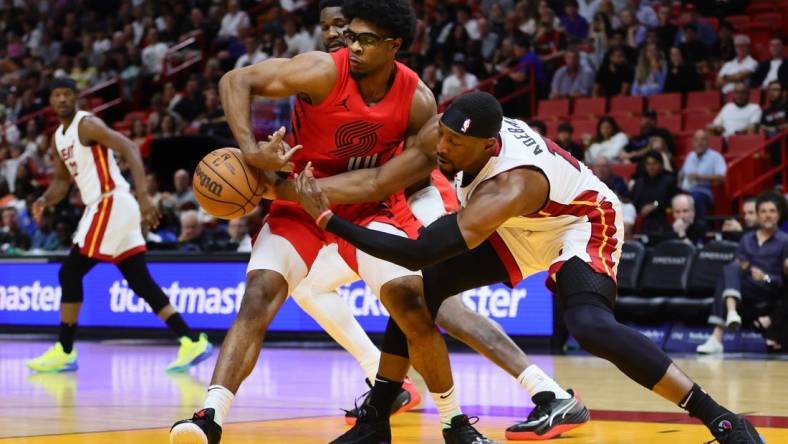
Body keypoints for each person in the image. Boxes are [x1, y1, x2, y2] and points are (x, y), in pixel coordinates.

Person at [171, 2, 577, 443]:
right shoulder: (321, 70)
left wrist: (280, 189)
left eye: (353, 33)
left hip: (403, 195)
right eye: (334, 30)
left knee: (423, 299)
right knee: (279, 289)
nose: (341, 39)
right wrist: (251, 153)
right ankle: (215, 414)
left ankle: (523, 397)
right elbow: (236, 79)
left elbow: (382, 180)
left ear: (391, 44)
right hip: (310, 201)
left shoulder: (417, 101)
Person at [291, 91, 765, 444]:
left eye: (456, 143)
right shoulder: (452, 133)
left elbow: (419, 251)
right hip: (522, 225)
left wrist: (328, 218)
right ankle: (376, 420)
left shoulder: (511, 185)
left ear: (485, 145)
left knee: (589, 324)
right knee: (419, 292)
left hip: (578, 221)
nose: (444, 148)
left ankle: (721, 417)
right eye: (444, 136)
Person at [25, 78, 213, 374]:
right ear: (50, 101)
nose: (62, 99)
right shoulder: (58, 138)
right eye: (56, 95)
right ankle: (191, 340)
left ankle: (64, 349)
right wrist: (44, 200)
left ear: (76, 98)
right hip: (109, 206)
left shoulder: (86, 125)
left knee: (70, 271)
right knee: (139, 280)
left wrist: (144, 196)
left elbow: (129, 147)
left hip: (110, 201)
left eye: (67, 94)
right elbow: (61, 182)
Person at [698, 192, 788, 355]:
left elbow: (784, 279)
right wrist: (745, 268)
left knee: (728, 275)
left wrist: (765, 277)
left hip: (769, 288)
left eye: (772, 211)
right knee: (729, 269)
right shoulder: (747, 238)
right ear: (758, 215)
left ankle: (717, 336)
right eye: (763, 211)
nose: (767, 215)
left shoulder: (785, 240)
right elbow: (739, 263)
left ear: (779, 214)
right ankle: (730, 314)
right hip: (746, 285)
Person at [678, 129, 726, 223]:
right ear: (692, 142)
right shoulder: (690, 156)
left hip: (705, 191)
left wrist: (700, 177)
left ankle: (700, 228)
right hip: (686, 190)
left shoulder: (716, 157)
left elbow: (721, 177)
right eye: (696, 140)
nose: (699, 143)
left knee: (695, 198)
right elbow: (682, 174)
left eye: (702, 139)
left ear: (708, 142)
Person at [630, 151, 677, 235]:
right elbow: (634, 201)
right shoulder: (640, 182)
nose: (651, 167)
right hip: (642, 218)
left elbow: (672, 200)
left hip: (661, 216)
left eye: (654, 163)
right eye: (648, 164)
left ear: (661, 165)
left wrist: (655, 205)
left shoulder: (669, 180)